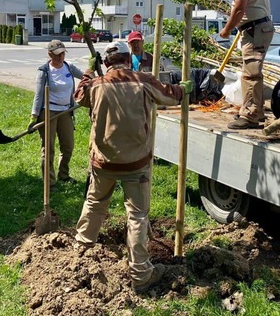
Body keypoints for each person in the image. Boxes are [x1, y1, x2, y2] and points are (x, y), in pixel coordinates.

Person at [72, 42, 193, 294]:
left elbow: (79, 94)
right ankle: (140, 274)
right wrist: (183, 89)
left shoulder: (96, 85)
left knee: (94, 204)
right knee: (137, 216)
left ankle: (81, 254)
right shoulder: (143, 80)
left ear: (106, 63)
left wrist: (88, 70)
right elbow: (171, 96)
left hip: (103, 162)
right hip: (136, 164)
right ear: (128, 59)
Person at [219, 0, 274, 130]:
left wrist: (227, 30)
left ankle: (250, 116)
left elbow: (239, 9)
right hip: (259, 27)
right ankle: (253, 110)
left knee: (250, 74)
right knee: (251, 73)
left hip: (255, 30)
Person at [29, 40, 85, 190]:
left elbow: (86, 78)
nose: (61, 57)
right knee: (48, 148)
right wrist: (34, 116)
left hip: (65, 111)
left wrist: (93, 70)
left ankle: (63, 174)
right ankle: (50, 181)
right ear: (50, 54)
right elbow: (38, 95)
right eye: (57, 54)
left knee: (68, 146)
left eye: (63, 53)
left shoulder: (69, 67)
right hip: (47, 112)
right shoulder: (44, 71)